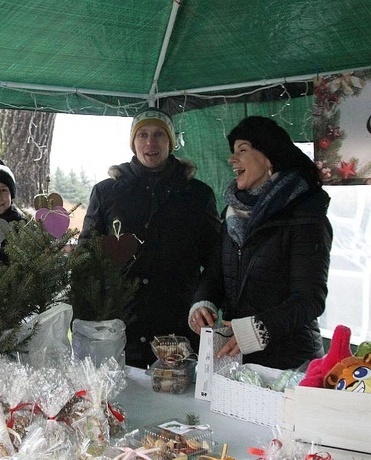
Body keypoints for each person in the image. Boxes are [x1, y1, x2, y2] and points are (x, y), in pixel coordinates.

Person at [79, 108, 220, 368]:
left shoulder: (197, 195)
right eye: (142, 135)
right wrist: (86, 315)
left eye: (159, 135)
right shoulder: (107, 192)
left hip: (176, 323)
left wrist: (203, 300)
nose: (150, 143)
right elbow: (85, 257)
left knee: (175, 401)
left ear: (171, 142)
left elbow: (214, 258)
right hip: (120, 324)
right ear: (133, 143)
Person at [189, 116, 332, 369]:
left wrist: (259, 329)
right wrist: (203, 303)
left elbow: (309, 299)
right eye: (233, 153)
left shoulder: (305, 217)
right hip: (239, 355)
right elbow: (215, 273)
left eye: (242, 151)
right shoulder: (232, 215)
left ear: (269, 158)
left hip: (290, 362)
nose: (232, 160)